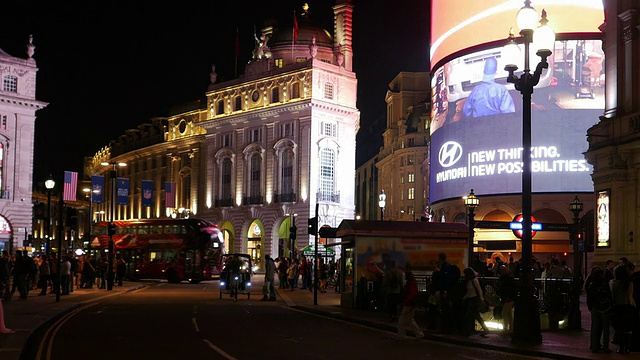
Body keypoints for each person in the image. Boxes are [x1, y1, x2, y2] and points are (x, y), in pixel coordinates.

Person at [610, 264, 636, 354]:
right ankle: (627, 348)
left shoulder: (615, 284)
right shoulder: (629, 283)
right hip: (629, 306)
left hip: (619, 306)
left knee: (620, 328)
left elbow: (614, 297)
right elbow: (631, 295)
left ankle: (621, 348)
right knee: (628, 328)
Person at [586, 267, 612, 353]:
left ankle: (594, 346)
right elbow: (609, 296)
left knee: (594, 328)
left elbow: (589, 297)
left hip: (595, 308)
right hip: (605, 309)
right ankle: (605, 347)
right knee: (605, 329)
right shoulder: (605, 284)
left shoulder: (592, 285)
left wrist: (590, 307)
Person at [461, 267, 490, 337]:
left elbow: (478, 290)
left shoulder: (474, 280)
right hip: (473, 299)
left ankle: (468, 331)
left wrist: (482, 299)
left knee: (469, 315)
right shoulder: (471, 281)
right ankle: (484, 329)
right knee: (476, 315)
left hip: (474, 299)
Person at [396, 271, 424, 340]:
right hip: (411, 304)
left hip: (409, 304)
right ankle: (419, 334)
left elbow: (411, 294)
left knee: (402, 320)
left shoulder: (410, 283)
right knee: (410, 320)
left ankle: (401, 335)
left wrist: (405, 302)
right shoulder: (412, 283)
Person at [497, 264, 516, 335]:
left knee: (504, 313)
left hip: (507, 298)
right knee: (509, 314)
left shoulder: (503, 279)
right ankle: (511, 328)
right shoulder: (509, 278)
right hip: (509, 298)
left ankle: (506, 328)